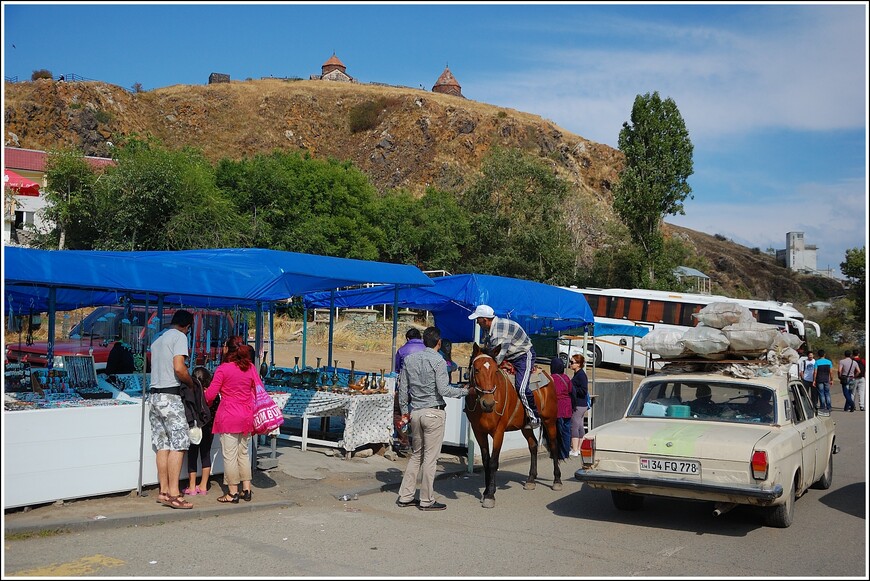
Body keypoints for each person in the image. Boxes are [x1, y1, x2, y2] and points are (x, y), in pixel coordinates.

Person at [396, 326, 470, 511]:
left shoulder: (410, 360)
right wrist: (465, 391)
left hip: (416, 413)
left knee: (416, 455)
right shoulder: (439, 361)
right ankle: (426, 500)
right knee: (430, 458)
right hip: (434, 413)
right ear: (439, 343)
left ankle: (405, 496)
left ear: (423, 342)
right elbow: (444, 390)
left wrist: (405, 413)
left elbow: (403, 391)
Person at [148, 309, 196, 510]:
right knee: (179, 444)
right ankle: (175, 494)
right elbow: (179, 367)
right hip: (170, 395)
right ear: (187, 326)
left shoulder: (158, 339)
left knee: (163, 445)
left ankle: (164, 491)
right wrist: (191, 381)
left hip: (154, 396)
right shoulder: (179, 337)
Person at [468, 304, 540, 429]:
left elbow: (498, 356)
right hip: (510, 355)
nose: (477, 322)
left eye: (478, 319)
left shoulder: (499, 330)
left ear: (485, 319)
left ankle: (534, 417)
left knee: (521, 387)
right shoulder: (490, 329)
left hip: (523, 356)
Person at [205, 335, 257, 504]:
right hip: (247, 415)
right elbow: (259, 390)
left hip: (229, 415)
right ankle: (246, 489)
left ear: (227, 349)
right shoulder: (250, 368)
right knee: (243, 454)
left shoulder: (223, 369)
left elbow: (211, 395)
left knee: (230, 456)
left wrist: (203, 394)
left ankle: (232, 492)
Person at [183, 366, 218, 496]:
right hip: (209, 428)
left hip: (194, 429)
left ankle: (192, 487)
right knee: (206, 455)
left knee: (192, 456)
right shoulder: (212, 396)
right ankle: (203, 486)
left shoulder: (191, 393)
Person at [393, 328, 426, 454]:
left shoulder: (401, 350)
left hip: (405, 389)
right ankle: (420, 443)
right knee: (420, 413)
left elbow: (397, 370)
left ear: (407, 338)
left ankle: (404, 440)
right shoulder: (427, 350)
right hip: (423, 389)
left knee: (398, 412)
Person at [550, 357, 572, 460]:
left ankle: (559, 454)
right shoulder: (566, 378)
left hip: (557, 408)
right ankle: (566, 453)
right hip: (568, 407)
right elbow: (571, 391)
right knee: (567, 431)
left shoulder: (551, 378)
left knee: (558, 432)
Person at [568, 354, 589, 456]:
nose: (570, 364)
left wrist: (573, 389)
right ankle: (579, 448)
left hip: (579, 404)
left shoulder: (581, 375)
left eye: (572, 362)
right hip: (581, 404)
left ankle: (575, 449)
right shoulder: (578, 374)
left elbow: (584, 390)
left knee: (574, 426)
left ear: (579, 364)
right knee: (580, 426)